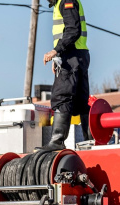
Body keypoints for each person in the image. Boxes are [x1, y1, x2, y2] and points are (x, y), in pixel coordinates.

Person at [41, 0, 91, 151]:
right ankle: (90, 142)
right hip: (76, 55)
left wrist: (56, 51)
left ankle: (57, 141)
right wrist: (59, 55)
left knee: (62, 96)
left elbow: (72, 30)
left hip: (72, 56)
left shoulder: (66, 1)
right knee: (80, 101)